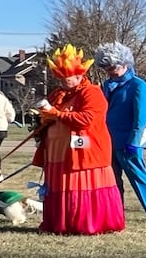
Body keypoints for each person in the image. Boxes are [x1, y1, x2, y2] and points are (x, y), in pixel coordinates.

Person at [31, 44, 126, 235]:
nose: (63, 83)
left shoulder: (92, 92)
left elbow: (86, 119)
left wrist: (56, 114)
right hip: (57, 152)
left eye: (66, 79)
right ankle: (60, 223)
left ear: (79, 76)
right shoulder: (58, 93)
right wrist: (44, 119)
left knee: (80, 186)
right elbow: (52, 114)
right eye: (60, 79)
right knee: (59, 187)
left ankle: (85, 223)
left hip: (84, 152)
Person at [94, 42, 146, 224]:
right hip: (106, 142)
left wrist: (134, 141)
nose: (109, 71)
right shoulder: (105, 85)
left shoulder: (138, 85)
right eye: (106, 68)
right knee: (112, 181)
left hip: (129, 142)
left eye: (113, 67)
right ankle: (116, 213)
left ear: (125, 64)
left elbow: (141, 117)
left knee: (139, 176)